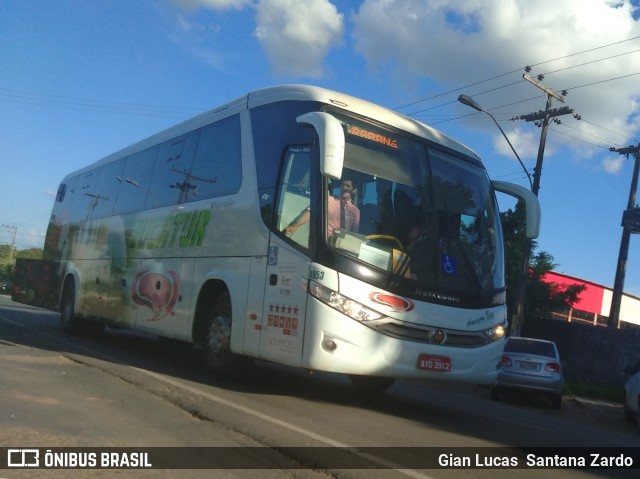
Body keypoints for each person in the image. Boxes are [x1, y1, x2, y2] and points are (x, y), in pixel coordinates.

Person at [285, 178, 360, 238]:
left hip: (341, 245)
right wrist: (296, 226)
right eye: (342, 185)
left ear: (354, 190)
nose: (344, 187)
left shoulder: (356, 212)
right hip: (324, 241)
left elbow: (354, 233)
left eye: (348, 186)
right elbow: (310, 212)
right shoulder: (328, 199)